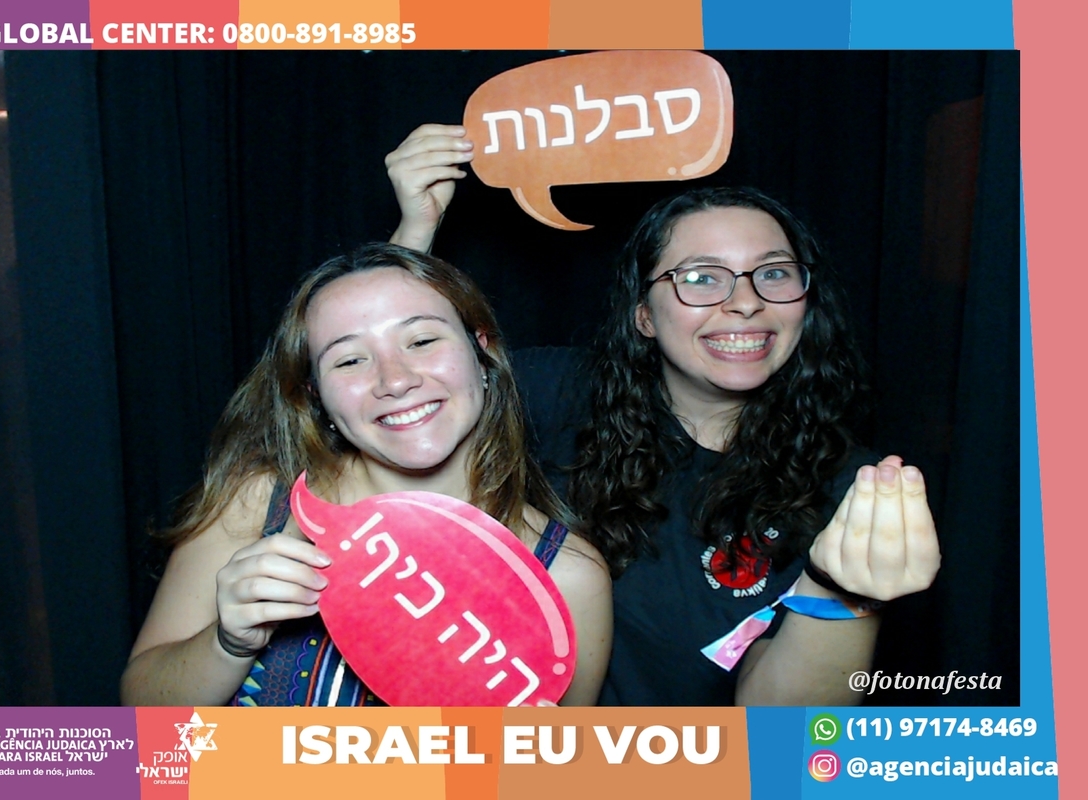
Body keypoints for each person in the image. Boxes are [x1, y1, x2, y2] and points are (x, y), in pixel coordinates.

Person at [385, 124, 941, 706]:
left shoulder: (847, 487)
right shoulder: (555, 393)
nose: (746, 301)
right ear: (643, 315)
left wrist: (842, 594)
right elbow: (384, 387)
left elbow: (778, 728)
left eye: (774, 273)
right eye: (700, 278)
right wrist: (416, 231)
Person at [120, 244, 612, 707]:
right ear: (316, 395)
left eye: (422, 340)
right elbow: (139, 715)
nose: (395, 380)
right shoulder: (258, 502)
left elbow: (561, 761)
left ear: (481, 352)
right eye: (350, 360)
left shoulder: (567, 576)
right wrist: (227, 644)